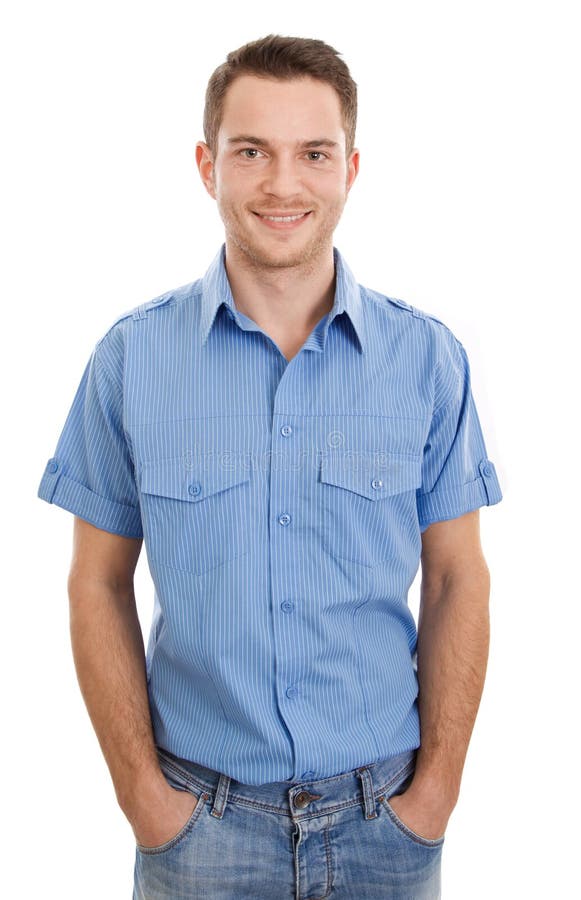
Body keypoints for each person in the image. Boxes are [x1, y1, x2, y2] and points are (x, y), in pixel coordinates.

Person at [37, 33, 502, 900]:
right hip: (198, 833)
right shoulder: (130, 360)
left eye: (312, 154)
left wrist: (433, 796)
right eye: (251, 152)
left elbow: (454, 580)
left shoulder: (427, 360)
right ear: (208, 164)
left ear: (350, 168)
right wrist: (146, 801)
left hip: (385, 828)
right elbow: (94, 584)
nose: (282, 184)